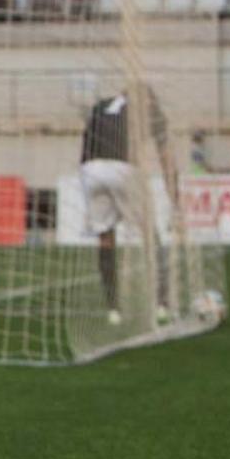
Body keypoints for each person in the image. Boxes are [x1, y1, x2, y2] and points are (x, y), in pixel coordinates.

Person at [80, 86, 175, 325]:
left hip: (89, 169)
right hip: (123, 167)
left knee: (105, 237)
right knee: (149, 235)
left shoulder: (101, 104)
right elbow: (166, 157)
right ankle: (162, 303)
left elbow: (88, 138)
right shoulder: (150, 110)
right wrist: (175, 195)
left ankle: (113, 309)